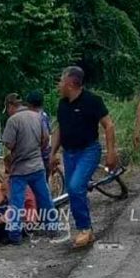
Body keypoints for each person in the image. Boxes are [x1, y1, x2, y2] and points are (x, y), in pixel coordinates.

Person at [49, 66, 120, 249]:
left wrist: (111, 153)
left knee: (75, 187)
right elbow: (59, 130)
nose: (59, 85)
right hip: (69, 152)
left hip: (88, 151)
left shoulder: (92, 101)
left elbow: (109, 126)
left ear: (71, 83)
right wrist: (52, 153)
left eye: (61, 80)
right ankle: (86, 229)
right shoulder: (62, 104)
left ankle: (84, 228)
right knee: (75, 192)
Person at [2, 93, 57, 244]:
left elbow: (9, 144)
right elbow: (45, 139)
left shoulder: (13, 120)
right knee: (44, 197)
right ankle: (52, 227)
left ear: (10, 106)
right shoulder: (37, 116)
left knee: (17, 201)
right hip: (37, 165)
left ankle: (15, 235)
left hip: (19, 168)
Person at [25, 91, 52, 176]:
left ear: (30, 104)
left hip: (39, 158)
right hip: (45, 155)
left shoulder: (37, 117)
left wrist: (39, 150)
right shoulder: (44, 115)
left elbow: (46, 137)